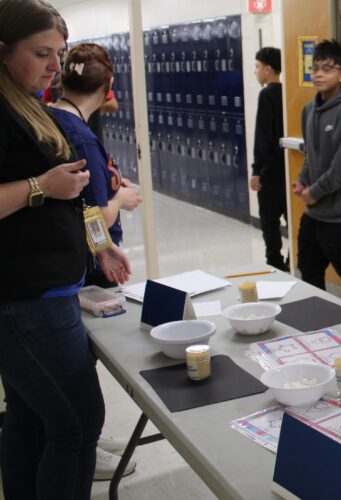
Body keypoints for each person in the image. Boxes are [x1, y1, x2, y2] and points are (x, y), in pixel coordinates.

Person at [0, 1, 131, 498]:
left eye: (58, 53)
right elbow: (50, 188)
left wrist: (100, 249)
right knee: (78, 425)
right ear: (3, 51)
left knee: (31, 418)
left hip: (50, 288)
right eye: (41, 53)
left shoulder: (30, 102)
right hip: (25, 300)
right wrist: (38, 186)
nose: (56, 66)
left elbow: (73, 195)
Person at [52, 43, 142, 290]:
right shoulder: (82, 138)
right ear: (108, 86)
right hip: (93, 263)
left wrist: (110, 184)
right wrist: (120, 199)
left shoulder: (53, 118)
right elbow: (95, 217)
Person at [292, 39, 341, 304]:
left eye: (328, 68)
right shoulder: (309, 110)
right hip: (314, 215)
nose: (319, 74)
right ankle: (317, 332)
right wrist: (303, 182)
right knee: (308, 275)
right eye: (315, 68)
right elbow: (310, 154)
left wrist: (315, 191)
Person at [251, 46, 288, 271]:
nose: (255, 72)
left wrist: (256, 170)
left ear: (268, 69)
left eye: (257, 67)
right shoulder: (287, 91)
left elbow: (262, 137)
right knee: (289, 217)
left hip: (270, 170)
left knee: (269, 220)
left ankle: (275, 262)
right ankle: (292, 260)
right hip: (287, 166)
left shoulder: (266, 94)